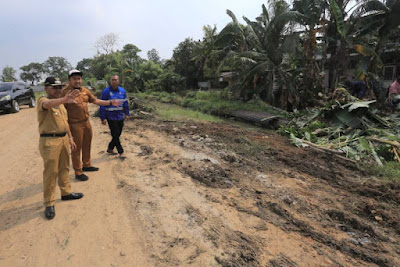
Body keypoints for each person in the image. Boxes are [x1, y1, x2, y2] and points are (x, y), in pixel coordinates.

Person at [37, 77, 84, 220]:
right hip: (50, 140)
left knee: (64, 168)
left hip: (63, 139)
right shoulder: (43, 100)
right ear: (46, 88)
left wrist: (70, 138)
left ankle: (66, 192)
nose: (58, 90)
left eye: (59, 87)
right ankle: (49, 203)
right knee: (51, 172)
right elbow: (47, 104)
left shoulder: (61, 104)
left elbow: (65, 122)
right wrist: (63, 100)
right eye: (54, 87)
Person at [62, 70, 118, 181]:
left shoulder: (85, 91)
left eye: (79, 78)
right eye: (74, 79)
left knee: (87, 144)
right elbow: (62, 111)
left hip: (86, 122)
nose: (77, 81)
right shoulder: (65, 93)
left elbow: (95, 100)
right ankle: (78, 172)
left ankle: (87, 165)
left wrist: (110, 102)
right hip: (74, 124)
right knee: (76, 149)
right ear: (70, 80)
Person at [100, 75, 130, 155]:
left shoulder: (122, 91)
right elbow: (102, 105)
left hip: (120, 116)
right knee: (115, 134)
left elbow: (125, 103)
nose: (114, 81)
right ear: (110, 81)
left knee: (118, 133)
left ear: (118, 81)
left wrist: (127, 113)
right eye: (112, 80)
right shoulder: (106, 91)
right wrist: (103, 118)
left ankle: (110, 148)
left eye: (115, 80)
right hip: (111, 117)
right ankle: (121, 151)